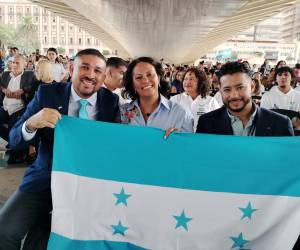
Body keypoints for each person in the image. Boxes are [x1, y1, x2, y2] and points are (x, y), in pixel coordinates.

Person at [0, 49, 120, 250]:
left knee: (40, 243)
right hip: (44, 179)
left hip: (85, 189)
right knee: (5, 231)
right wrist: (31, 123)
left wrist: (169, 137)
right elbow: (14, 139)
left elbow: (122, 142)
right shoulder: (47, 93)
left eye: (98, 71)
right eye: (84, 67)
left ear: (103, 76)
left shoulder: (110, 102)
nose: (91, 75)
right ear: (72, 68)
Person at [196, 61, 294, 136]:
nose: (234, 95)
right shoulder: (206, 123)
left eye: (240, 88)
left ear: (252, 87)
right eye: (227, 89)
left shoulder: (281, 124)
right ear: (220, 91)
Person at [121, 57, 193, 133]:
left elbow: (191, 143)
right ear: (133, 84)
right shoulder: (122, 112)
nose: (145, 80)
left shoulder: (180, 114)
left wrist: (178, 140)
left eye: (149, 75)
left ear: (158, 78)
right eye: (139, 77)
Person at [171, 67, 219, 131]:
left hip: (204, 138)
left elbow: (218, 123)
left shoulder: (211, 101)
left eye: (191, 79)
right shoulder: (174, 100)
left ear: (200, 82)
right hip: (181, 139)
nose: (187, 82)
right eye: (185, 79)